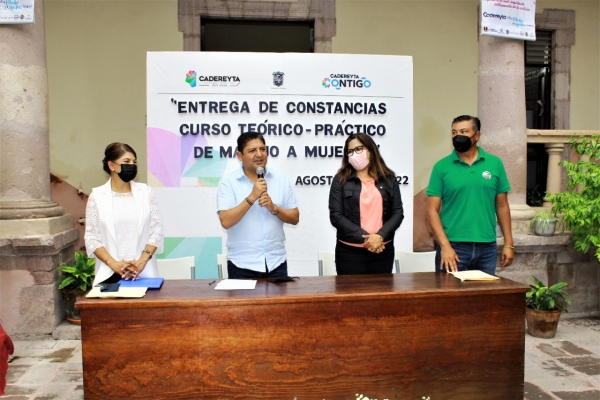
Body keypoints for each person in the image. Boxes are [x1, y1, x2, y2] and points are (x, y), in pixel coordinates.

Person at [426, 115, 514, 274]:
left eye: (463, 131)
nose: (457, 136)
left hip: (487, 246)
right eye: (454, 132)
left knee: (483, 298)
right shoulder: (441, 167)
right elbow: (432, 210)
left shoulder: (495, 164)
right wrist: (445, 246)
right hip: (453, 246)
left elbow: (502, 206)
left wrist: (508, 243)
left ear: (477, 135)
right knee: (449, 297)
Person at [217, 132, 299, 279]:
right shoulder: (228, 182)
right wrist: (252, 197)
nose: (259, 154)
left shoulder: (280, 179)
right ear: (240, 156)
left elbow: (295, 217)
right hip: (242, 265)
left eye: (262, 149)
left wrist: (274, 208)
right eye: (252, 150)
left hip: (276, 263)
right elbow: (226, 221)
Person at [85, 142, 163, 285]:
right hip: (109, 275)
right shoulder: (97, 196)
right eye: (126, 161)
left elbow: (156, 230)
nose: (132, 165)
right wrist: (113, 263)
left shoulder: (145, 192)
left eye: (134, 162)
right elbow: (91, 237)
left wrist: (142, 261)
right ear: (111, 165)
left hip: (143, 273)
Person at [329, 133, 404, 275]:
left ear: (370, 150)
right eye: (350, 151)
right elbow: (336, 216)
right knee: (350, 297)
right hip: (349, 253)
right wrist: (369, 240)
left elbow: (397, 213)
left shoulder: (388, 178)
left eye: (359, 149)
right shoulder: (340, 180)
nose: (354, 154)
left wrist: (379, 236)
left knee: (381, 295)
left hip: (382, 251)